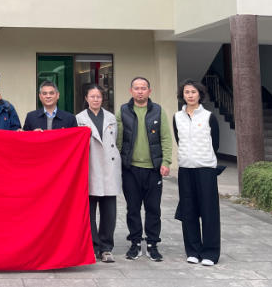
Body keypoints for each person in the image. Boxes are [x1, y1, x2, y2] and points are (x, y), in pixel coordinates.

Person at [116, 77, 172, 262]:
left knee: (153, 209)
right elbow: (118, 139)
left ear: (149, 91)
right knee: (132, 209)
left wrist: (166, 161)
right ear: (131, 91)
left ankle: (152, 244)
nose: (140, 91)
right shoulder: (123, 111)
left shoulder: (158, 111)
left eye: (143, 88)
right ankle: (135, 243)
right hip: (130, 169)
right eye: (136, 88)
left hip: (153, 169)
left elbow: (165, 138)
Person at [173, 79, 220, 266]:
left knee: (209, 211)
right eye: (187, 92)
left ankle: (210, 253)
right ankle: (192, 250)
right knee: (188, 211)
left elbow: (216, 144)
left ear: (200, 94)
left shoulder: (209, 117)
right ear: (182, 95)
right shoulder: (177, 117)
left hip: (205, 169)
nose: (190, 95)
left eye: (193, 92)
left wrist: (204, 159)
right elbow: (179, 140)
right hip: (185, 169)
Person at [76, 84, 121, 263]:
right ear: (86, 98)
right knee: (89, 211)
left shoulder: (111, 117)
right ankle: (93, 246)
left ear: (103, 99)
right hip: (90, 167)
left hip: (109, 167)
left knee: (109, 211)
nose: (96, 99)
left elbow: (117, 141)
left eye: (99, 96)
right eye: (92, 96)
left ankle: (106, 247)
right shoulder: (79, 118)